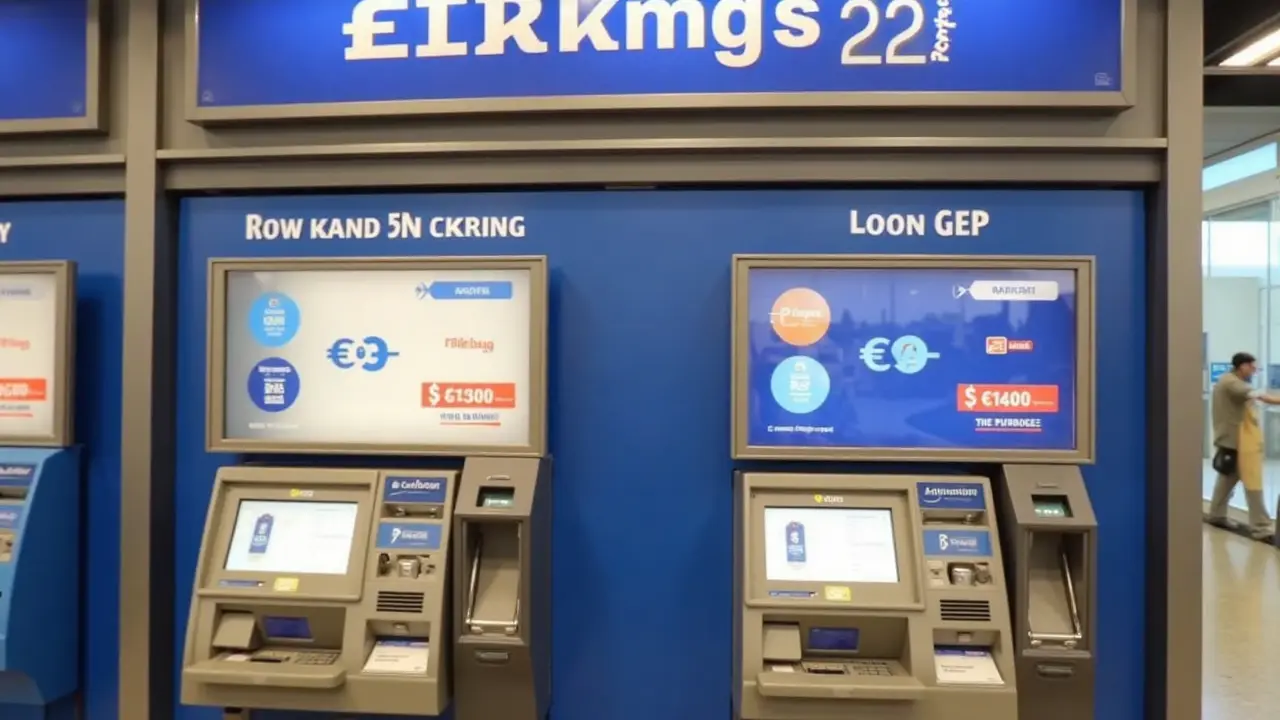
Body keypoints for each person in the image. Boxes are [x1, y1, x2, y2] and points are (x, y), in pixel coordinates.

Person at [1207, 351, 1278, 541]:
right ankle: (1261, 528)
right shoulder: (1231, 382)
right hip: (1239, 442)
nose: (1254, 370)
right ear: (1243, 366)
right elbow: (1258, 395)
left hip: (1233, 440)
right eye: (1252, 366)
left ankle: (1216, 514)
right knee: (1253, 482)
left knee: (1227, 478)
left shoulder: (1229, 381)